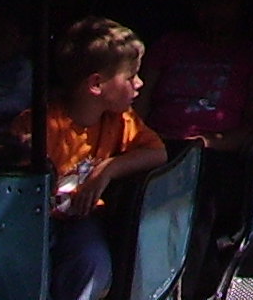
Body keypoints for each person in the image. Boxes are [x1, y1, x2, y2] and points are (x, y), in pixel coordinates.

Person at [23, 17, 167, 300]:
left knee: (93, 262)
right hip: (30, 222)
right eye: (130, 76)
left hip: (77, 221)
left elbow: (158, 152)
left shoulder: (122, 120)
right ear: (96, 84)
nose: (140, 84)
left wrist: (108, 169)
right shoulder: (40, 126)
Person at [144, 0, 253, 255]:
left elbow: (252, 127)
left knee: (200, 200)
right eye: (205, 1)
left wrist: (206, 142)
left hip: (213, 155)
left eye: (223, 1)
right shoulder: (169, 45)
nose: (213, 11)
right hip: (158, 147)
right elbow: (139, 106)